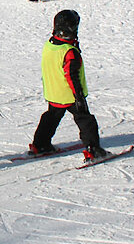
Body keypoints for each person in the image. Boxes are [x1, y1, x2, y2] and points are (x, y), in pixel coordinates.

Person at [29, 10, 108, 161]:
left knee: (50, 118)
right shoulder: (69, 52)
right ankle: (94, 149)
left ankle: (40, 144)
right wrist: (79, 97)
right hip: (69, 95)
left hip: (53, 93)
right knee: (85, 120)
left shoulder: (50, 45)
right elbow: (72, 77)